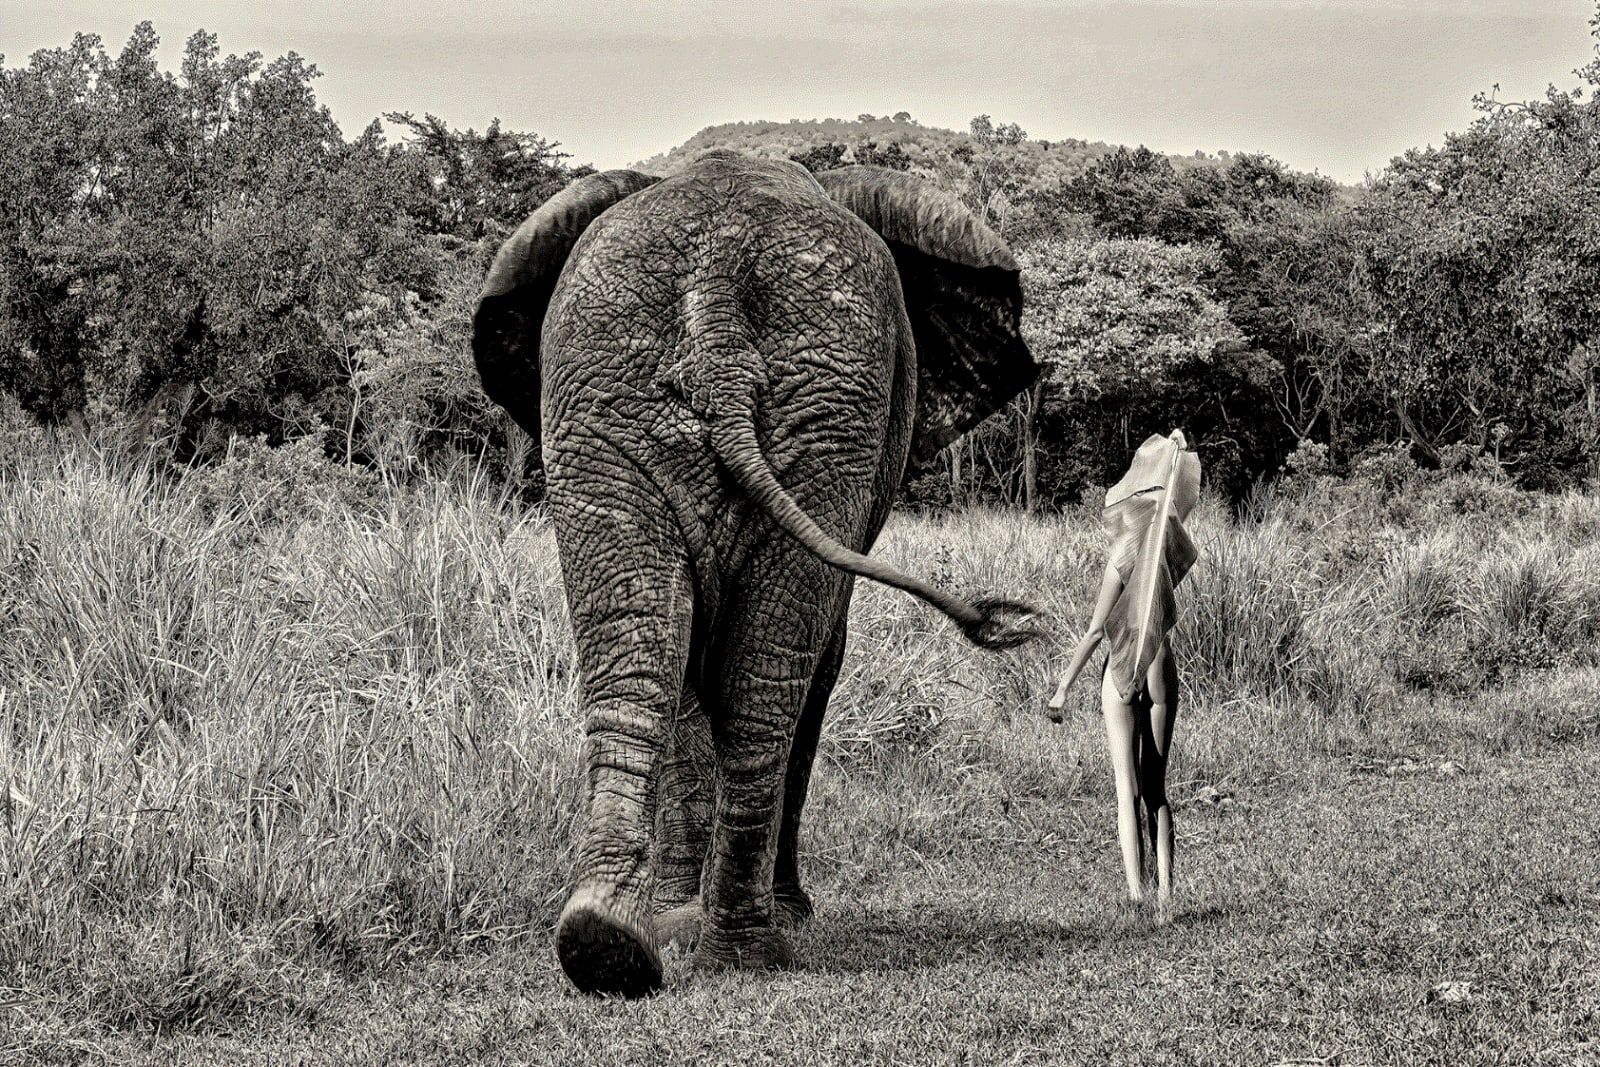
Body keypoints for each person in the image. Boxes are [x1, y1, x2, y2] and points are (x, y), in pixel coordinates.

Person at [1048, 430, 1201, 919]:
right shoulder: (1171, 546)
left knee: (1126, 789)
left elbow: (1096, 631)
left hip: (1120, 666)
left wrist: (1063, 687)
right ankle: (1166, 901)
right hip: (1160, 664)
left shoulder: (1123, 552)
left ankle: (1136, 895)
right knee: (1157, 789)